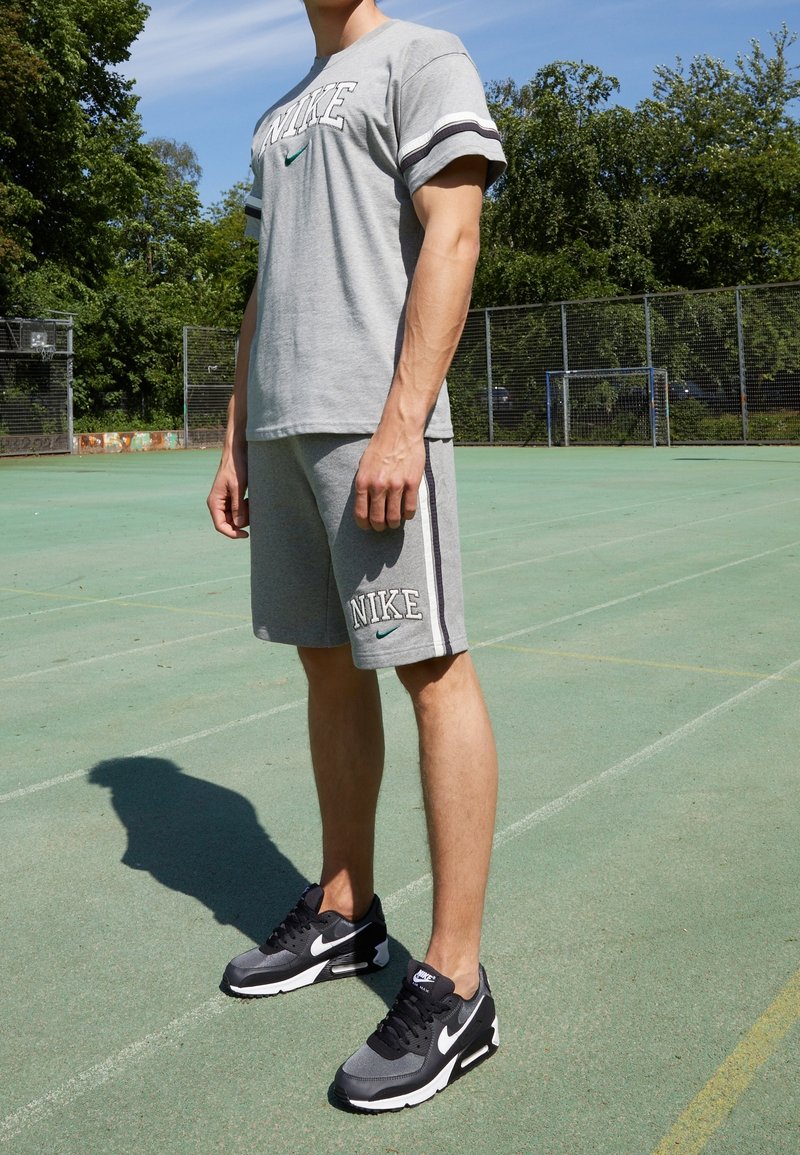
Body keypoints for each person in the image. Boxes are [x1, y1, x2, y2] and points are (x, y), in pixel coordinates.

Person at [207, 0, 506, 1113]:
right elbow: (264, 286)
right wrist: (236, 433)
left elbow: (453, 233)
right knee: (323, 664)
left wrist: (401, 419)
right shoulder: (277, 109)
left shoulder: (422, 56)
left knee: (431, 668)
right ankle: (344, 910)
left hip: (370, 420)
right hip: (283, 431)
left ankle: (457, 982)